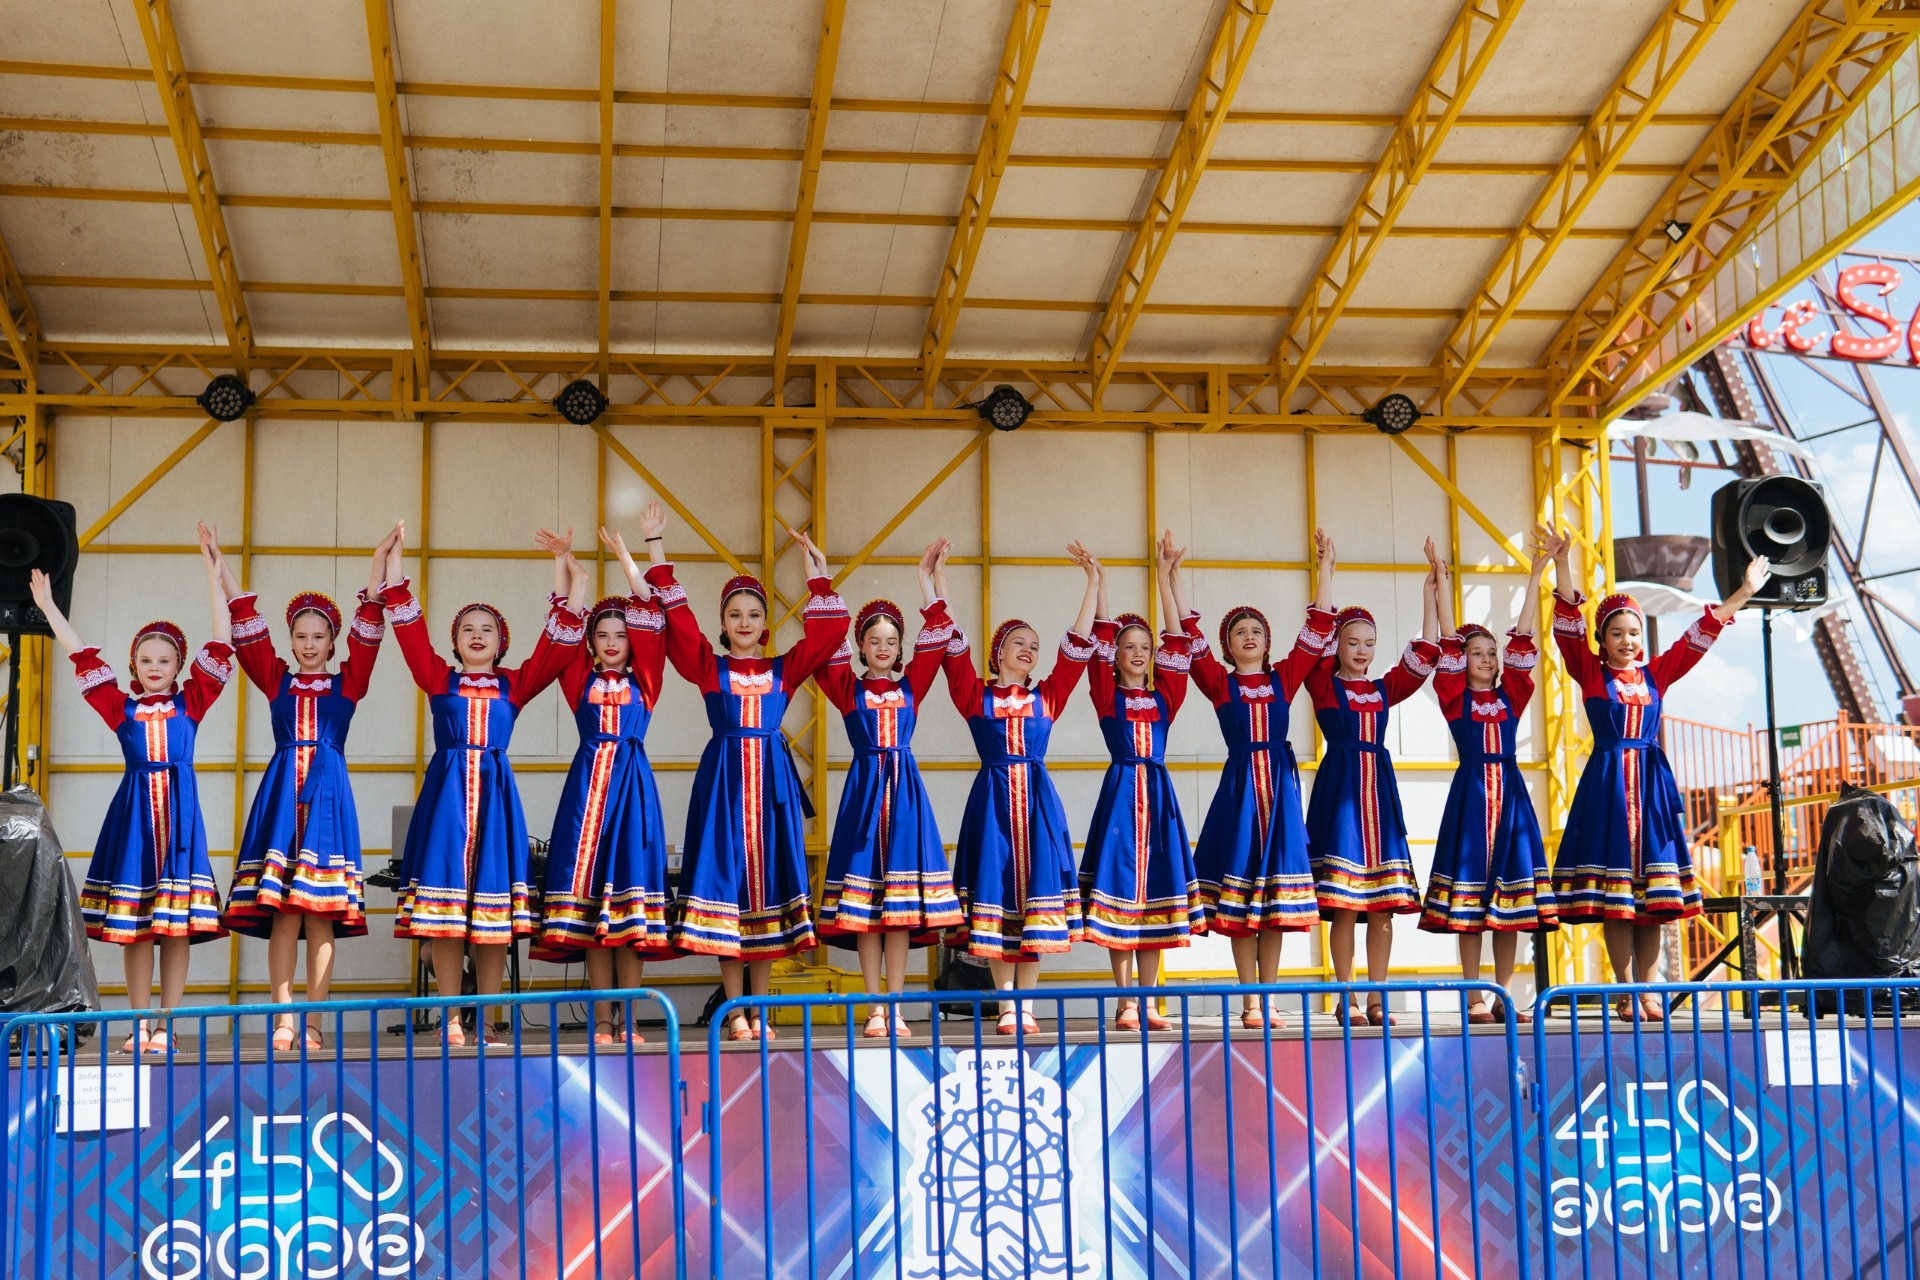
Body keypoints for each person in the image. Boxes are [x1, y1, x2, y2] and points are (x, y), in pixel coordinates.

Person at [1547, 526, 1768, 1020]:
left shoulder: (1656, 675)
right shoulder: (1589, 672)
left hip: (1649, 790)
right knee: (1617, 900)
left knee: (1653, 900)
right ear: (1602, 640)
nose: (1627, 641)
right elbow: (1567, 624)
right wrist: (1562, 565)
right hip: (1608, 788)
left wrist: (1744, 593)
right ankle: (1625, 991)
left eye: (1634, 633)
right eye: (1617, 633)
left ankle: (1649, 992)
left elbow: (1699, 636)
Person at [29, 523, 233, 1055]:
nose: (155, 668)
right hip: (136, 820)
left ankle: (167, 1024)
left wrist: (214, 576)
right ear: (134, 667)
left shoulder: (192, 702)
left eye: (165, 661)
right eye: (146, 660)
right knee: (137, 925)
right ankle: (138, 1022)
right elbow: (82, 657)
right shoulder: (121, 707)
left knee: (176, 926)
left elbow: (222, 642)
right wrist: (49, 609)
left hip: (180, 820)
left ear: (179, 666)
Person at [645, 522, 849, 1042]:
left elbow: (828, 635)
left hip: (772, 791)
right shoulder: (708, 668)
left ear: (765, 624)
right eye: (735, 614)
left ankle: (760, 1010)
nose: (744, 621)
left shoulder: (784, 669)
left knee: (768, 896)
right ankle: (735, 1011)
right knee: (728, 893)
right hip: (724, 788)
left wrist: (818, 576)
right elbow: (680, 628)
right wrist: (656, 549)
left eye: (754, 614)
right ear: (723, 622)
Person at [384, 525, 587, 1045]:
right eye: (468, 629)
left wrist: (567, 571)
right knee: (447, 917)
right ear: (455, 642)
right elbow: (409, 630)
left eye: (488, 629)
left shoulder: (515, 684)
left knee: (493, 919)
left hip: (495, 803)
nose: (477, 635)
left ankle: (490, 1019)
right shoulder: (439, 679)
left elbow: (556, 644)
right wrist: (395, 560)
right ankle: (452, 1018)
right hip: (447, 802)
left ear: (501, 642)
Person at [219, 521, 403, 1051]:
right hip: (282, 795)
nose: (308, 645)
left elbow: (371, 628)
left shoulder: (349, 683)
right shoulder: (275, 678)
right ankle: (283, 1019)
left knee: (320, 915)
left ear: (332, 641)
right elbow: (246, 626)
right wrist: (219, 566)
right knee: (284, 913)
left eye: (318, 636)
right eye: (300, 636)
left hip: (327, 798)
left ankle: (315, 1021)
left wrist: (378, 566)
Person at [941, 542, 1101, 1035]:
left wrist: (1093, 584)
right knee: (996, 897)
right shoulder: (975, 695)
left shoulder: (1048, 695)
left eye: (1034, 644)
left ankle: (1025, 1004)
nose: (1029, 649)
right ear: (999, 653)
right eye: (1018, 642)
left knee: (1036, 902)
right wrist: (938, 582)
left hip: (1036, 805)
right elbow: (952, 647)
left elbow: (1077, 647)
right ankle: (1005, 1003)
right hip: (992, 804)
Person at [1180, 528, 1337, 1029]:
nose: (1249, 637)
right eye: (1239, 633)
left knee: (1274, 904)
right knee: (1242, 896)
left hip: (1280, 797)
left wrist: (1325, 569)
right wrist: (1169, 579)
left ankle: (1268, 995)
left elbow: (1318, 628)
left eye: (1257, 631)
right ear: (1228, 647)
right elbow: (1188, 640)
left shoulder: (1284, 678)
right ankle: (1250, 999)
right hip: (1241, 794)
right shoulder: (1219, 683)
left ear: (1268, 643)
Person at [535, 511, 677, 1045]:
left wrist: (626, 557)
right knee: (595, 912)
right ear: (591, 642)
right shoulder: (578, 678)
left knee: (630, 917)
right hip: (586, 796)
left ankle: (631, 1019)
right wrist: (567, 570)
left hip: (633, 792)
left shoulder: (648, 680)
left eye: (621, 634)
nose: (613, 641)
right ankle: (600, 1020)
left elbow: (651, 610)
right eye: (603, 634)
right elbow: (561, 627)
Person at [814, 539, 965, 1039]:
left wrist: (929, 580)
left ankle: (895, 1004)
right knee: (866, 910)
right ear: (860, 646)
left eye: (892, 641)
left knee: (898, 910)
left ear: (901, 649)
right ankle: (874, 1005)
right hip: (863, 796)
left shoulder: (911, 685)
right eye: (874, 640)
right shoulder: (846, 688)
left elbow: (938, 638)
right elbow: (823, 641)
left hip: (903, 797)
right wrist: (821, 578)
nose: (883, 648)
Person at [1305, 533, 1441, 1026]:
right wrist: (1326, 572)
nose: (1362, 651)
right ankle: (1346, 996)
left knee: (1382, 904)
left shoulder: (1383, 689)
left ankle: (1378, 995)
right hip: (1341, 793)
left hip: (1378, 798)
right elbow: (1316, 629)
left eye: (1369, 643)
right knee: (1344, 904)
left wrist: (1430, 593)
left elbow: (1424, 655)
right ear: (1336, 646)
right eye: (1352, 642)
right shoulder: (1322, 685)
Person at [1419, 531, 1555, 1023]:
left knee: (1510, 908)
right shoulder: (1455, 697)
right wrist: (1442, 584)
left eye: (1491, 653)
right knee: (1470, 903)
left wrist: (1535, 575)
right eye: (1477, 653)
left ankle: (1503, 995)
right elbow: (1447, 644)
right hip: (1473, 798)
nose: (1487, 659)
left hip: (1511, 800)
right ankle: (1474, 995)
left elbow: (1524, 638)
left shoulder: (1511, 695)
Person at [1078, 533, 1201, 1031]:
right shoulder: (1105, 694)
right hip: (1122, 794)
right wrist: (1099, 584)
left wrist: (1165, 579)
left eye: (1144, 648)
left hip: (1159, 795)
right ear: (1116, 655)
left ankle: (1150, 1000)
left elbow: (1179, 644)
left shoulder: (1166, 696)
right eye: (1128, 647)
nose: (1138, 653)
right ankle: (1126, 999)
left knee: (1156, 898)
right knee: (1120, 895)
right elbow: (1098, 640)